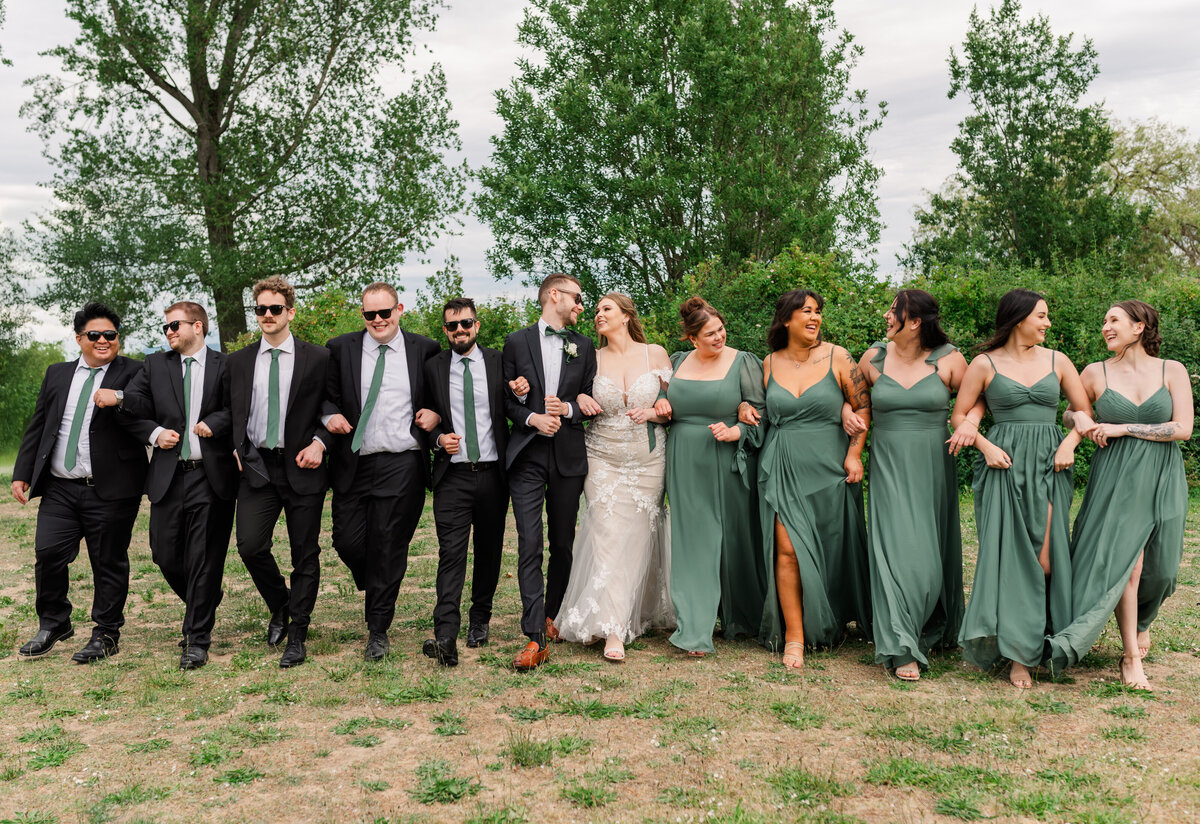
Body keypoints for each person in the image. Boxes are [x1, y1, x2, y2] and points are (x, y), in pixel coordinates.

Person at [950, 288, 1093, 689]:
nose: (1048, 323)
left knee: (1045, 560)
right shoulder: (984, 363)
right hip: (1003, 464)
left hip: (1050, 462)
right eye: (1042, 316)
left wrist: (1069, 443)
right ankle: (1019, 656)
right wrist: (985, 444)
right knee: (1010, 559)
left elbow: (1082, 413)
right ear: (1018, 319)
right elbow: (959, 416)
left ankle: (1044, 640)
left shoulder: (1058, 361)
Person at [1045, 300, 1192, 689]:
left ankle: (1143, 621)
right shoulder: (1094, 372)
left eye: (1113, 320)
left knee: (1163, 570)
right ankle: (1130, 658)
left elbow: (1182, 428)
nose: (1105, 327)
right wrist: (1080, 420)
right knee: (1129, 564)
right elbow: (1072, 412)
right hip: (1117, 476)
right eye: (1104, 321)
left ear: (1139, 327)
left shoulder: (1171, 370)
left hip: (1162, 474)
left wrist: (1122, 427)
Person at [94, 302, 237, 670]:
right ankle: (204, 597)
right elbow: (138, 403)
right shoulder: (156, 365)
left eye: (175, 325)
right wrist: (147, 424)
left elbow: (236, 409)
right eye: (166, 328)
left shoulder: (226, 366)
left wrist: (214, 423)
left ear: (199, 327)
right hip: (169, 476)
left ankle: (196, 639)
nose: (170, 332)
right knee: (164, 552)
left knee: (204, 558)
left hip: (211, 475)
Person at [12, 302, 154, 663]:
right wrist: (22, 472)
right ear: (80, 339)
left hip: (112, 488)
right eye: (95, 335)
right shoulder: (57, 373)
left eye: (111, 335)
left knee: (108, 562)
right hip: (61, 487)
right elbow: (40, 424)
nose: (104, 340)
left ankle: (106, 633)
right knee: (47, 553)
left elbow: (146, 404)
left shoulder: (135, 370)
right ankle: (54, 621)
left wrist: (118, 396)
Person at [322, 283, 440, 661]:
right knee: (348, 541)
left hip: (402, 462)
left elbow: (439, 397)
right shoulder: (340, 349)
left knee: (389, 545)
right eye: (369, 315)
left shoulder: (425, 349)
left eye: (384, 313)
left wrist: (435, 415)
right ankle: (375, 580)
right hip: (354, 461)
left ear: (399, 309)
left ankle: (378, 630)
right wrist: (330, 415)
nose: (377, 321)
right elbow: (325, 396)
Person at [755, 290, 872, 670]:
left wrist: (854, 453)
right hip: (784, 463)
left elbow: (863, 406)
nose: (815, 317)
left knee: (829, 547)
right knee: (787, 549)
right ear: (786, 318)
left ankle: (832, 620)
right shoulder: (768, 363)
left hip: (830, 466)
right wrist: (744, 405)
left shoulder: (838, 356)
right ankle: (794, 636)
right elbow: (759, 407)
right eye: (806, 311)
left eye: (818, 312)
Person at [858, 290, 971, 682]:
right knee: (895, 551)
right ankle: (902, 643)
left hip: (932, 465)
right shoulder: (872, 358)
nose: (887, 316)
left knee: (928, 556)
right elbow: (855, 402)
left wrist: (970, 424)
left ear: (915, 321)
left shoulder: (950, 359)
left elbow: (978, 399)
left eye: (894, 310)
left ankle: (932, 623)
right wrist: (846, 412)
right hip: (888, 464)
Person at [555, 293, 674, 662]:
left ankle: (629, 611)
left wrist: (659, 410)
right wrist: (580, 400)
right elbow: (568, 394)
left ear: (626, 316)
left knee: (637, 537)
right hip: (601, 455)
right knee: (606, 533)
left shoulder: (654, 353)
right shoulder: (590, 355)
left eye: (605, 309)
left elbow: (676, 405)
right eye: (595, 312)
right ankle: (612, 630)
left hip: (648, 459)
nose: (597, 316)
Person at [224, 276, 331, 669]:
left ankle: (298, 635)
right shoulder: (237, 362)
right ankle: (282, 606)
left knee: (305, 553)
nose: (267, 316)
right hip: (257, 467)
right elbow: (227, 411)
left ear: (290, 311)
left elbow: (334, 406)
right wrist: (236, 446)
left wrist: (321, 443)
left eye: (275, 309)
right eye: (260, 310)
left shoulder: (318, 358)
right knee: (250, 546)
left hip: (303, 464)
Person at [653, 297, 765, 657]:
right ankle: (695, 629)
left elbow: (761, 413)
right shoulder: (675, 362)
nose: (719, 337)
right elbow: (659, 396)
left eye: (720, 330)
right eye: (709, 334)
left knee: (734, 539)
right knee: (693, 543)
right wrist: (660, 402)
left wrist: (738, 431)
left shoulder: (744, 361)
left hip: (728, 458)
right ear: (691, 338)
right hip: (685, 458)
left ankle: (742, 618)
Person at [502, 273, 599, 671]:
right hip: (526, 456)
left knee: (562, 543)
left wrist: (568, 411)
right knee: (529, 543)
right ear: (553, 296)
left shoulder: (585, 346)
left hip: (568, 458)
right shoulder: (516, 341)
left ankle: (552, 615)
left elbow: (589, 397)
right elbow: (506, 401)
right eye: (577, 298)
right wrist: (531, 417)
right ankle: (533, 637)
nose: (581, 305)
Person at [419, 297, 510, 667]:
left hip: (493, 474)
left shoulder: (500, 362)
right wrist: (439, 438)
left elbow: (516, 405)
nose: (460, 330)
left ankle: (481, 620)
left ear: (477, 326)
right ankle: (446, 635)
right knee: (450, 554)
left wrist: (520, 390)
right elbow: (422, 417)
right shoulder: (432, 368)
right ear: (445, 330)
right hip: (453, 476)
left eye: (466, 324)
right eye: (453, 326)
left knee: (489, 551)